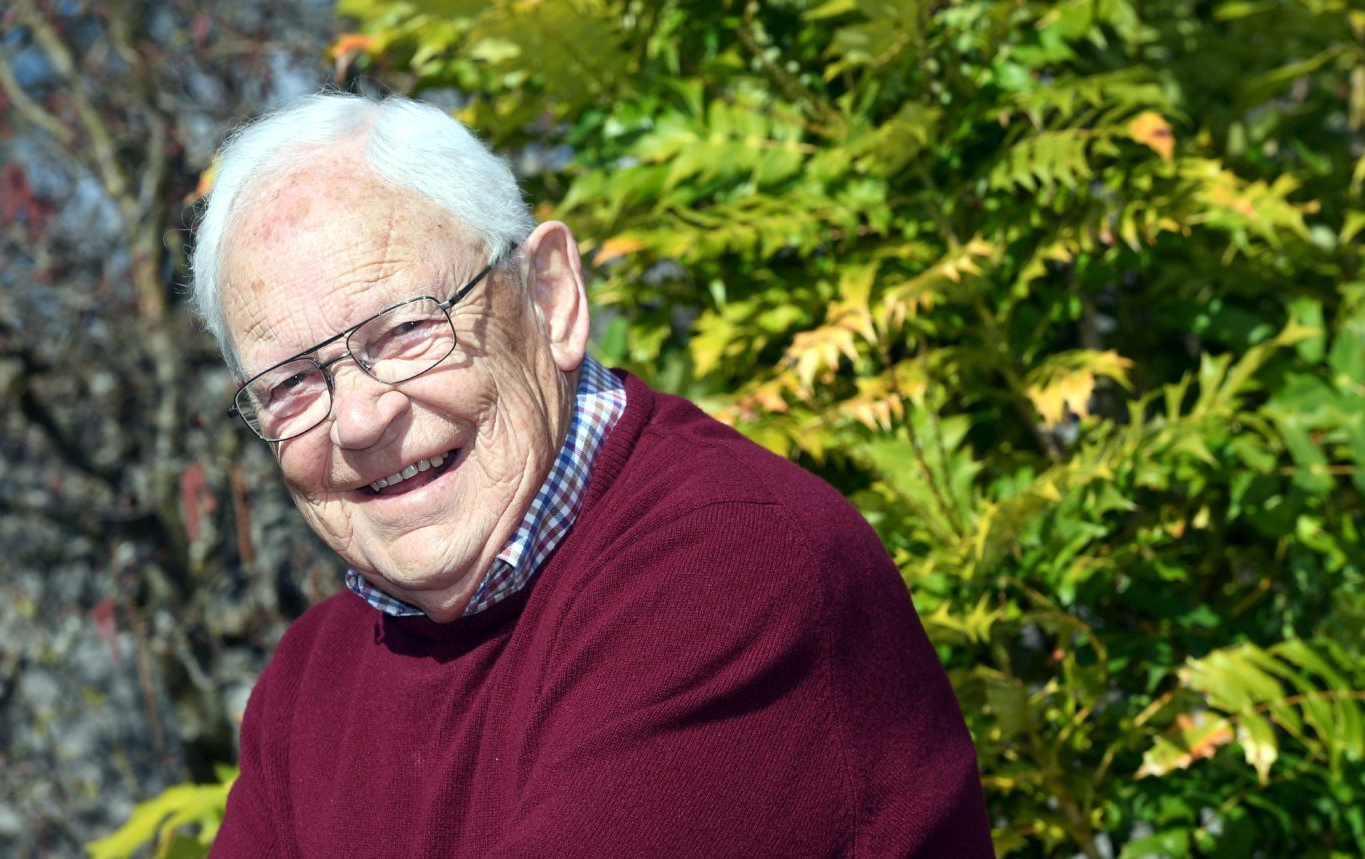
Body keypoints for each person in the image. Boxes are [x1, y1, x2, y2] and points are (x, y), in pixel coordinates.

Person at [192, 91, 994, 858]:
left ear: (551, 296)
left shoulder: (733, 565)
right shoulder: (310, 684)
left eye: (406, 330)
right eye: (291, 384)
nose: (359, 419)